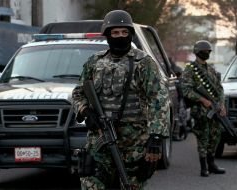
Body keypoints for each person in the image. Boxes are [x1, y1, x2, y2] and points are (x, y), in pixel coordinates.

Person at [72, 10, 170, 190]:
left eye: (124, 32)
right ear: (107, 34)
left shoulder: (144, 62)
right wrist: (85, 111)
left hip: (134, 143)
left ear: (130, 34)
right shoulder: (94, 62)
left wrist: (156, 137)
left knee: (130, 185)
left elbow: (158, 99)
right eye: (115, 33)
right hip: (99, 140)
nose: (120, 37)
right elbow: (78, 93)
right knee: (91, 185)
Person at [181, 40, 226, 177]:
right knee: (203, 137)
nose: (207, 53)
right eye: (204, 51)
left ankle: (212, 163)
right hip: (200, 111)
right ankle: (204, 167)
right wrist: (202, 100)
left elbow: (219, 89)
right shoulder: (190, 69)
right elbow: (185, 89)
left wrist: (222, 104)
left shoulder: (211, 70)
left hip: (214, 110)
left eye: (208, 51)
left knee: (215, 135)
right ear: (197, 52)